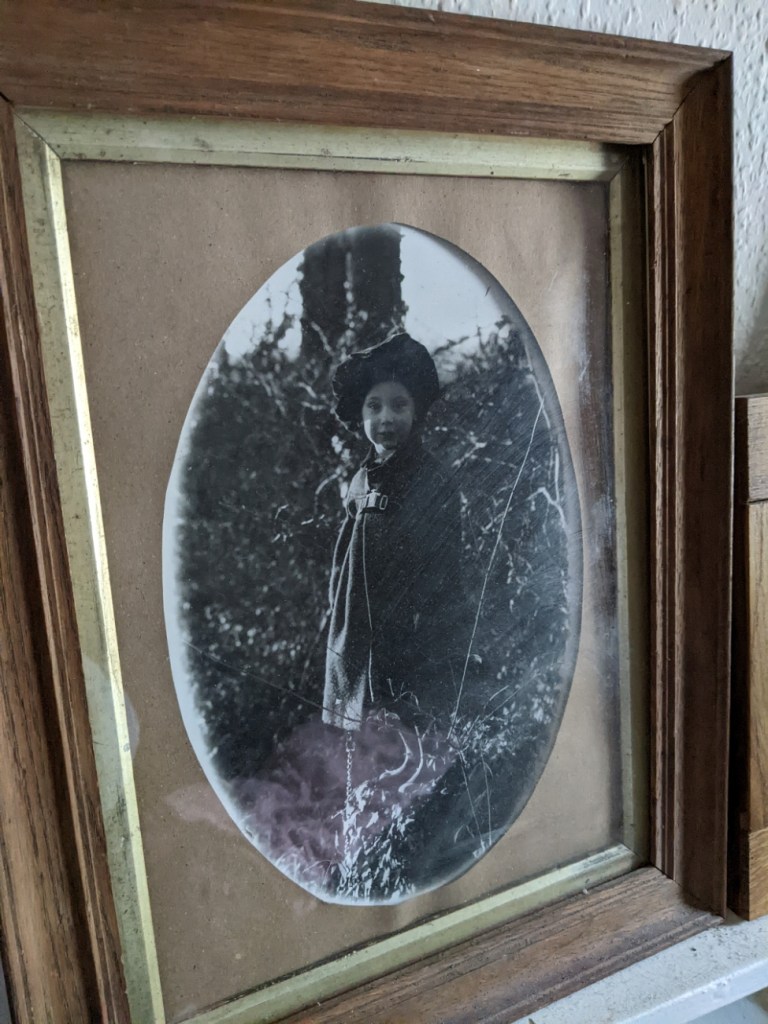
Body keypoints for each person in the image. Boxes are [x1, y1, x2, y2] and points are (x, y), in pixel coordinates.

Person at [322, 332, 471, 734]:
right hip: (355, 643)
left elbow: (444, 573)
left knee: (403, 747)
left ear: (416, 411)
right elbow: (342, 566)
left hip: (409, 643)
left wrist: (429, 636)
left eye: (399, 405)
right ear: (361, 415)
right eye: (375, 406)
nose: (386, 418)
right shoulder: (359, 482)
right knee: (357, 747)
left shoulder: (433, 480)